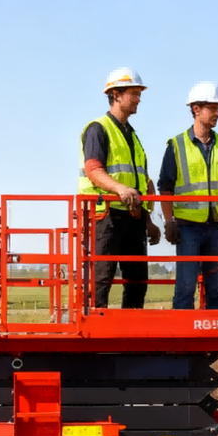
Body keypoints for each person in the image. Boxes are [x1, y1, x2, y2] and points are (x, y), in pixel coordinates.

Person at [158, 82, 218, 310]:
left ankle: (213, 334)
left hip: (217, 228)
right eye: (213, 108)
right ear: (196, 109)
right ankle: (183, 334)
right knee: (185, 288)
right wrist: (169, 222)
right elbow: (166, 188)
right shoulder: (176, 145)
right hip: (187, 229)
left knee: (217, 290)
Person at [79, 67, 160, 309]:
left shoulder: (132, 136)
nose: (138, 99)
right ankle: (95, 328)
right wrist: (120, 189)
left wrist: (148, 220)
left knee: (137, 281)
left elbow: (142, 182)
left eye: (139, 94)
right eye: (134, 93)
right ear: (115, 94)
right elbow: (93, 169)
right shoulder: (98, 129)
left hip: (133, 218)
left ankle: (130, 329)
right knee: (101, 279)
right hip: (105, 216)